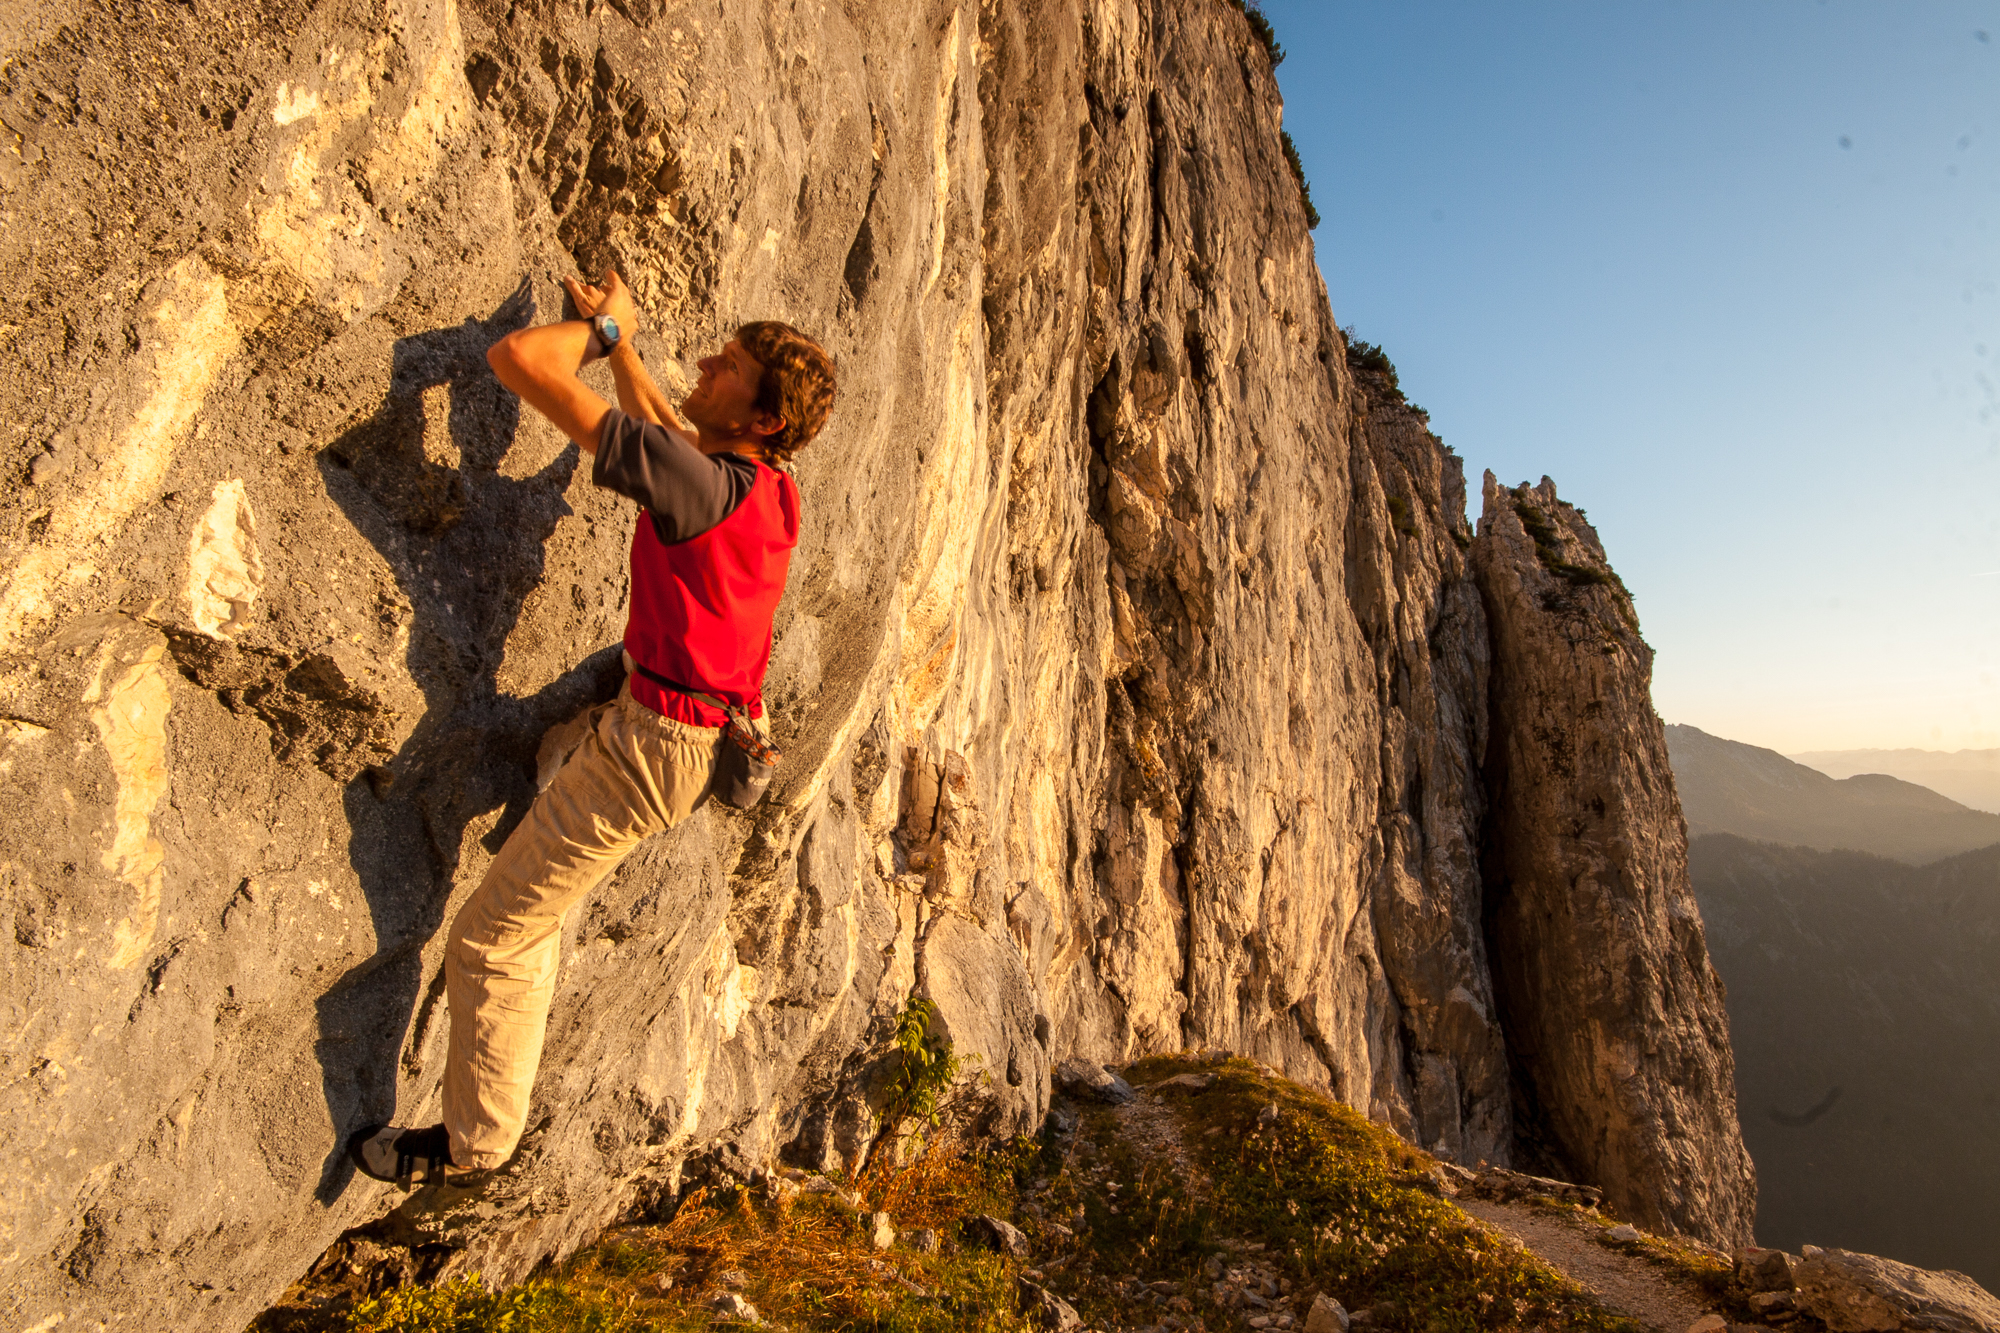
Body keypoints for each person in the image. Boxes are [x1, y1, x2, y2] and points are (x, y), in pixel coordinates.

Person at [347, 271, 836, 1189]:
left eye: (726, 365)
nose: (705, 362)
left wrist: (601, 328)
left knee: (492, 938)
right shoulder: (766, 484)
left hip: (650, 746)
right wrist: (624, 349)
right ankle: (544, 857)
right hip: (670, 730)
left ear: (763, 418)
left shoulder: (700, 479)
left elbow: (518, 360)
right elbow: (670, 430)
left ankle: (472, 1149)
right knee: (542, 817)